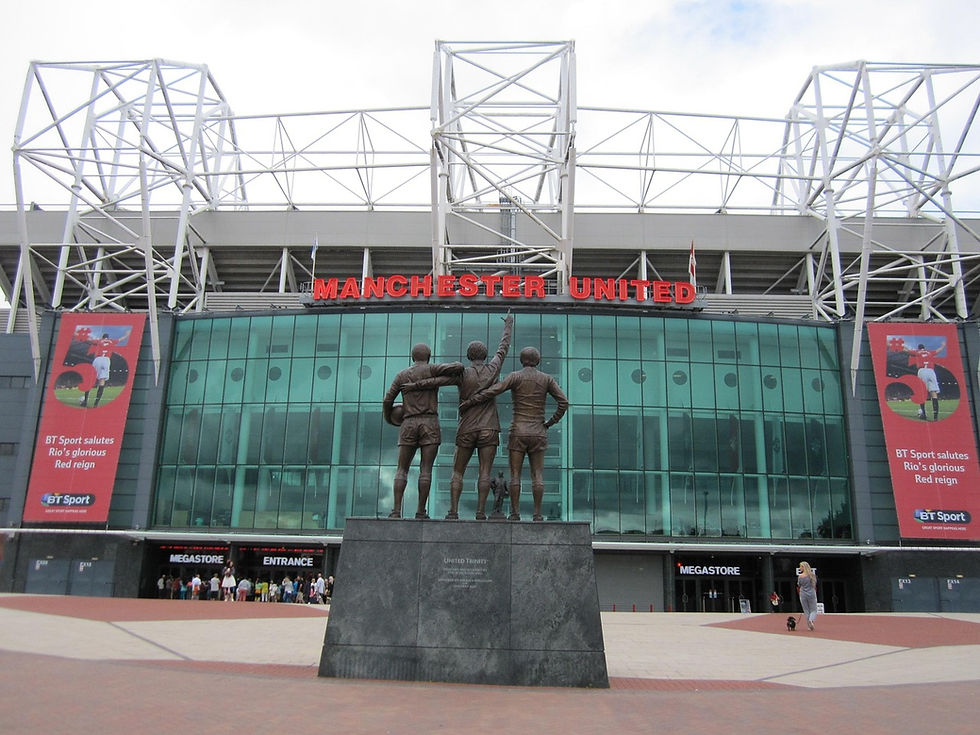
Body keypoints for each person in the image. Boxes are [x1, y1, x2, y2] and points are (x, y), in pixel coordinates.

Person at [405, 314, 513, 519]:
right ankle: (480, 513)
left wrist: (415, 385)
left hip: (466, 428)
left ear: (468, 355)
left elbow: (437, 381)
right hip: (489, 428)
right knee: (485, 472)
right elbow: (503, 347)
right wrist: (508, 325)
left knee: (458, 471)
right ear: (485, 354)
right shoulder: (493, 368)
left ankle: (453, 512)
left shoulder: (462, 373)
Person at [460, 346, 568, 521]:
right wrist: (549, 422)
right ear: (538, 360)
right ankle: (537, 514)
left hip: (518, 430)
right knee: (537, 475)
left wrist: (472, 400)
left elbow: (495, 390)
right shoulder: (547, 379)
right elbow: (563, 402)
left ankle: (515, 514)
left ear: (521, 360)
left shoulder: (515, 376)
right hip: (538, 431)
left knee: (515, 474)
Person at [382, 344, 463, 519]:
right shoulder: (432, 369)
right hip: (429, 422)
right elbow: (458, 367)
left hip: (408, 423)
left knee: (401, 469)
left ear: (412, 357)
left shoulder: (402, 375)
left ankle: (396, 511)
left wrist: (389, 418)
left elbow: (388, 399)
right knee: (425, 469)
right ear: (429, 356)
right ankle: (420, 511)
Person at [907, 340, 945, 420]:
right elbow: (938, 350)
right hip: (931, 371)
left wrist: (898, 345)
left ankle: (923, 414)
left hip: (922, 371)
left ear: (919, 348)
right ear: (924, 348)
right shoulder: (930, 352)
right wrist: (943, 345)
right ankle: (935, 417)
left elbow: (906, 350)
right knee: (934, 393)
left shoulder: (917, 352)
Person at [797, 561, 819, 630]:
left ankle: (809, 625)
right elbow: (814, 584)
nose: (800, 568)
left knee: (806, 610)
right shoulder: (812, 575)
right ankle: (811, 619)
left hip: (803, 593)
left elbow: (799, 584)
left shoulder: (800, 576)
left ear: (803, 567)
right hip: (811, 593)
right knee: (813, 609)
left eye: (800, 566)